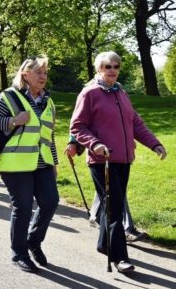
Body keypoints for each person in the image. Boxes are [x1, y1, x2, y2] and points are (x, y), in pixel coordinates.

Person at [69, 51, 166, 274]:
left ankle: (104, 244)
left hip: (124, 159)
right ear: (98, 69)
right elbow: (77, 127)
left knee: (111, 204)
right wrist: (95, 144)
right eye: (106, 66)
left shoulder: (120, 92)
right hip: (101, 160)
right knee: (115, 208)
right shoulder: (90, 93)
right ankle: (120, 257)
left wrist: (154, 144)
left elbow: (135, 123)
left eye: (116, 66)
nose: (112, 70)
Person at [0, 56, 59, 273]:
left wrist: (54, 162)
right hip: (14, 162)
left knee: (51, 201)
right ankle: (19, 253)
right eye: (38, 72)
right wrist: (13, 120)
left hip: (41, 161)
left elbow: (48, 136)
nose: (43, 76)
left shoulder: (48, 101)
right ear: (25, 75)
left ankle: (33, 241)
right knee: (23, 207)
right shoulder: (9, 96)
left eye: (45, 72)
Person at [64, 141, 148, 242]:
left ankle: (96, 216)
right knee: (115, 192)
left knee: (108, 191)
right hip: (100, 156)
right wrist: (73, 144)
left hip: (119, 155)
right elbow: (79, 128)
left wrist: (128, 139)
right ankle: (126, 229)